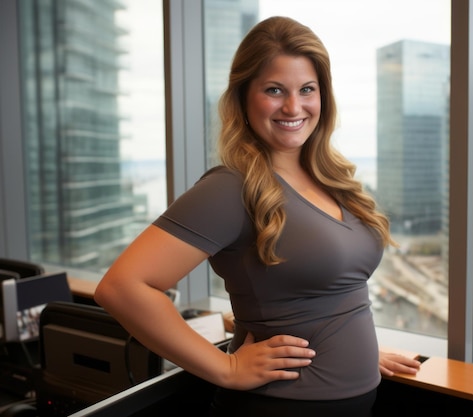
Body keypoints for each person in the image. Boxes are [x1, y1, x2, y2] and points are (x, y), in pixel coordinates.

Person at [94, 15, 420, 417]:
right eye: (274, 90)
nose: (293, 106)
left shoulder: (332, 179)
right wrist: (226, 368)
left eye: (307, 89)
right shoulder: (231, 187)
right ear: (244, 97)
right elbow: (122, 287)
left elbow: (330, 294)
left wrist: (361, 349)